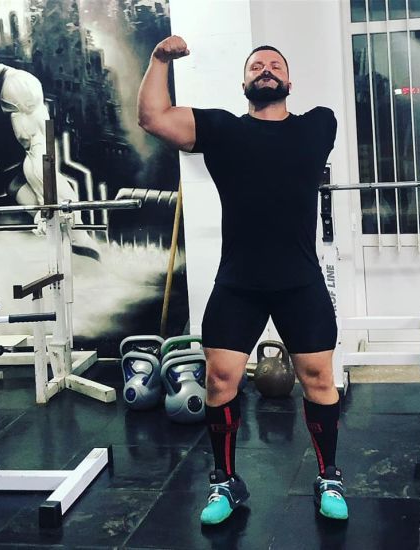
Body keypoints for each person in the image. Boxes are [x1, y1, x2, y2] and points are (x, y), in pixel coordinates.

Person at [138, 35, 348, 525]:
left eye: (275, 65)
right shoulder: (222, 130)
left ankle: (329, 476)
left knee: (320, 380)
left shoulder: (319, 124)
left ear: (289, 81)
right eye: (257, 66)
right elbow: (153, 118)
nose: (266, 69)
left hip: (299, 279)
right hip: (240, 281)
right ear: (244, 82)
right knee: (219, 381)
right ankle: (225, 481)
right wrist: (159, 60)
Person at [0, 62, 99, 260]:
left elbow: (40, 154)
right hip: (6, 152)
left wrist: (48, 208)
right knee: (12, 183)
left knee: (34, 149)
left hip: (11, 88)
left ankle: (72, 229)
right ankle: (59, 227)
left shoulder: (13, 87)